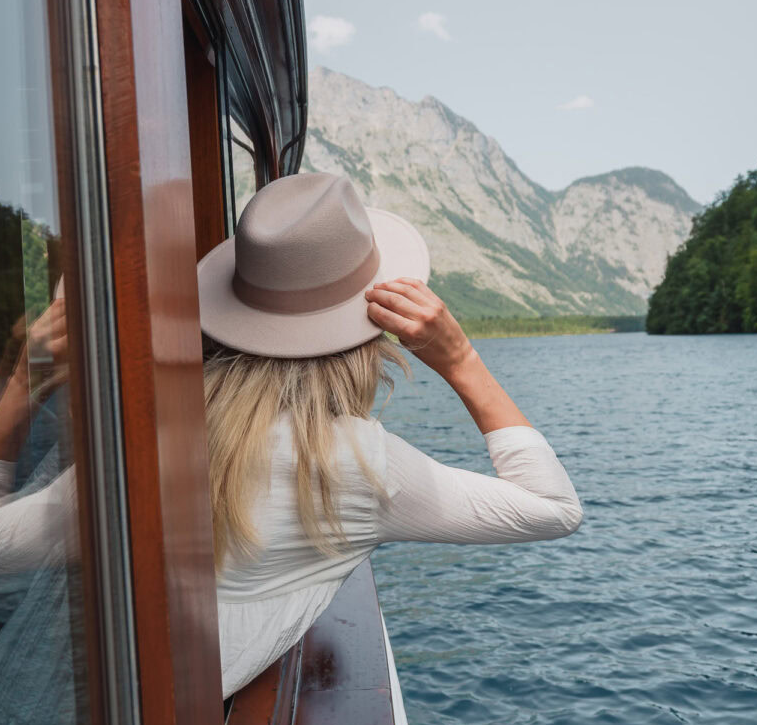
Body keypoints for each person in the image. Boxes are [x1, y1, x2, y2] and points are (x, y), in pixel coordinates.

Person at [197, 170, 583, 697]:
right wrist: (461, 360)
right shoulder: (356, 465)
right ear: (372, 330)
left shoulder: (154, 434)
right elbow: (555, 508)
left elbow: (40, 529)